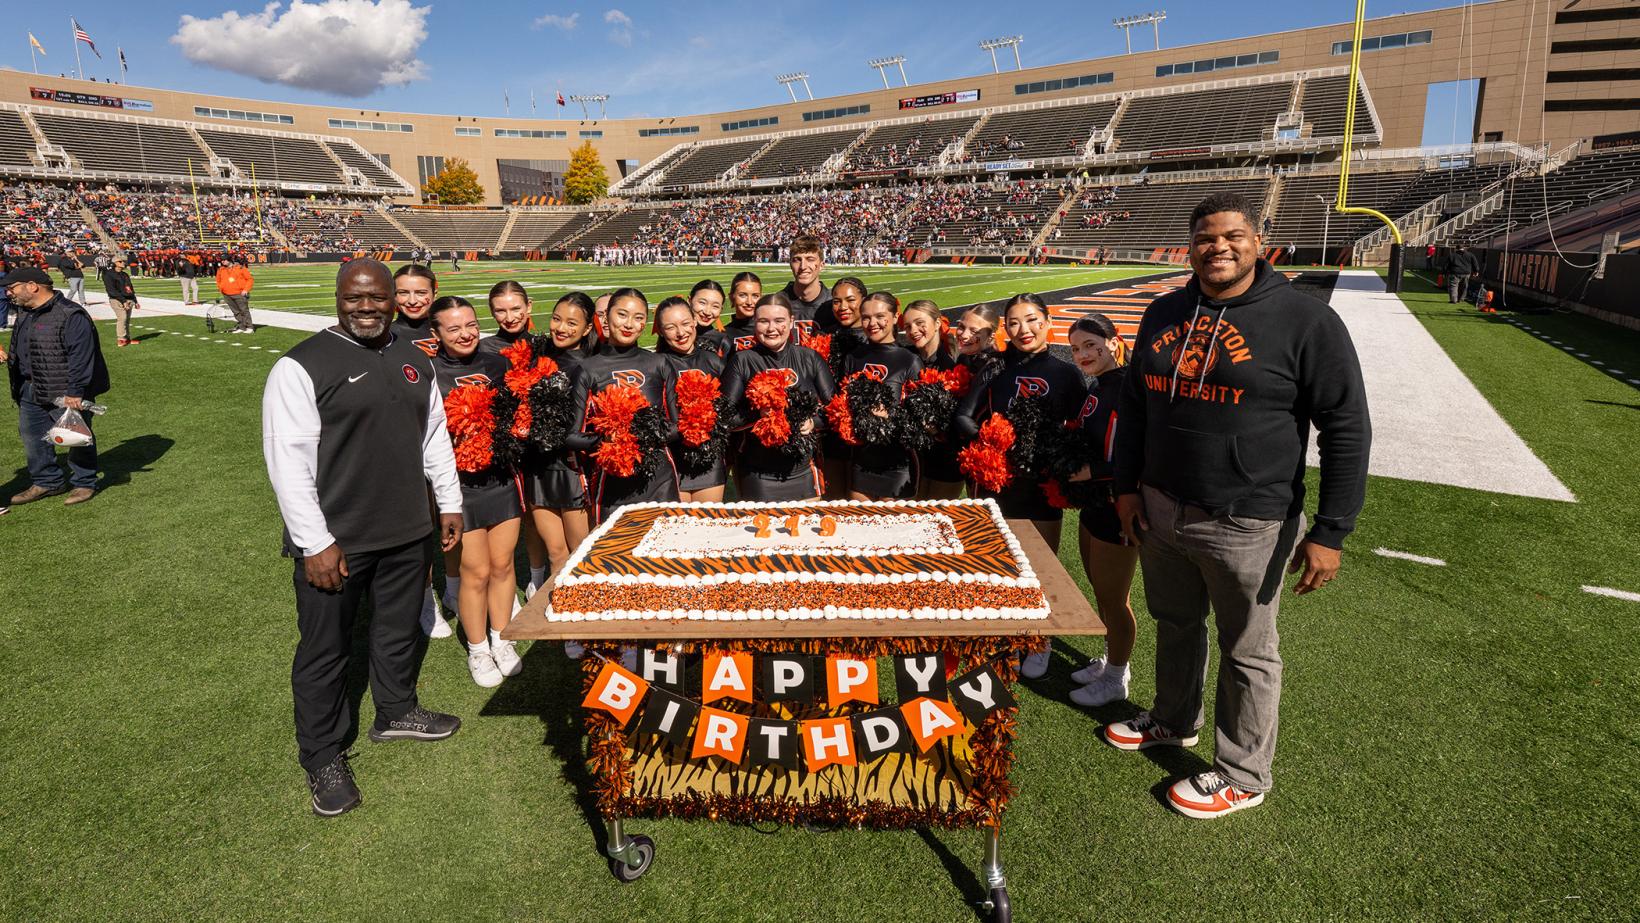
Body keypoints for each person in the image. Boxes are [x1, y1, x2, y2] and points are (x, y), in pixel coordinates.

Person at [1106, 192, 1371, 819]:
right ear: (1189, 245)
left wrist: (1332, 530)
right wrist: (1125, 486)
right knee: (1175, 624)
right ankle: (1173, 720)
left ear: (1259, 240)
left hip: (1249, 516)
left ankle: (1243, 774)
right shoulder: (1164, 311)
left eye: (1232, 236)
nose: (1218, 247)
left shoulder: (1305, 321)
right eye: (1205, 237)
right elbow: (1136, 406)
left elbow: (1346, 427)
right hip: (1161, 506)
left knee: (1247, 648)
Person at [261, 259, 464, 818]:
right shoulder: (300, 366)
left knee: (397, 628)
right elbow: (288, 462)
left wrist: (447, 501)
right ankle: (323, 755)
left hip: (405, 527)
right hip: (338, 539)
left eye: (377, 298)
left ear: (394, 301)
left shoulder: (410, 357)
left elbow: (433, 435)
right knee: (325, 651)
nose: (367, 308)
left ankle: (395, 710)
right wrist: (313, 542)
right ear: (338, 298)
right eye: (355, 298)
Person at [953, 293, 1083, 680]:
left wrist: (1053, 456)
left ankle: (1037, 641)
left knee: (1041, 567)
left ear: (1046, 322)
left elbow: (1079, 431)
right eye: (1013, 322)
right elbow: (962, 418)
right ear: (1004, 328)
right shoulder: (995, 367)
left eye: (1031, 320)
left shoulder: (1067, 372)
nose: (1022, 330)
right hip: (997, 483)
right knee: (997, 564)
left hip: (1041, 486)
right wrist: (992, 446)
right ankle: (1002, 637)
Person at [426, 295, 525, 688]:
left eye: (470, 325)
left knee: (503, 567)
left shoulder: (498, 364)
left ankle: (502, 638)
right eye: (453, 328)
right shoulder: (428, 372)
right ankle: (478, 648)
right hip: (458, 487)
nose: (465, 334)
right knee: (475, 571)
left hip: (501, 480)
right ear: (436, 334)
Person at [1062, 314, 1138, 707]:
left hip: (1116, 506)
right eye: (1076, 348)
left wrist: (1094, 471)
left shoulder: (1127, 386)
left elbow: (1141, 454)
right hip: (1094, 504)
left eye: (1092, 344)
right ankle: (1110, 659)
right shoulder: (1098, 387)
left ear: (1114, 341)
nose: (1083, 354)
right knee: (1100, 589)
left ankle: (1117, 677)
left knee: (1114, 597)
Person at [565, 288, 679, 522]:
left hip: (660, 480)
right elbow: (571, 436)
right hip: (612, 483)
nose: (629, 324)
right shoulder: (588, 369)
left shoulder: (660, 363)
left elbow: (676, 426)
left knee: (663, 557)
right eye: (622, 315)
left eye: (638, 318)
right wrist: (608, 441)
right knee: (616, 557)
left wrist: (642, 435)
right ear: (606, 317)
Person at [3, 266, 110, 507]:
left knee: (75, 436)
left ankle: (84, 482)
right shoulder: (25, 312)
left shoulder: (70, 314)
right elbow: (27, 347)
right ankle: (47, 481)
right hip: (30, 387)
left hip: (63, 389)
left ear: (32, 286)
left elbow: (82, 356)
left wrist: (75, 391)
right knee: (32, 437)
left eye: (12, 288)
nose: (9, 293)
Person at [720, 292, 835, 500]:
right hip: (758, 472)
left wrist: (813, 422)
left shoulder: (810, 358)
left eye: (779, 320)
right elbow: (724, 417)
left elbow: (835, 410)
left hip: (804, 469)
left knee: (805, 530)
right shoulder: (742, 361)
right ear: (755, 322)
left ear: (791, 321)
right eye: (763, 321)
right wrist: (758, 415)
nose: (772, 329)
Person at [837, 292, 921, 500]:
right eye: (866, 317)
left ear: (895, 317)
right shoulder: (852, 357)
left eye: (880, 316)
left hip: (898, 466)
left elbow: (920, 419)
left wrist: (891, 418)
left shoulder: (909, 360)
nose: (872, 323)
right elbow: (839, 405)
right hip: (861, 463)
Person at [655, 295, 728, 502]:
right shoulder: (655, 364)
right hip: (671, 462)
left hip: (708, 462)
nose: (681, 333)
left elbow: (731, 410)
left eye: (686, 323)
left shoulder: (714, 362)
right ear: (659, 330)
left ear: (695, 321)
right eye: (670, 327)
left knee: (708, 528)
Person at [779, 234, 831, 339]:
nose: (803, 266)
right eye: (797, 260)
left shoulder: (833, 304)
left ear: (821, 265)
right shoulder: (778, 303)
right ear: (790, 264)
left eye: (810, 259)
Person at [392, 264, 439, 357]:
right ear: (394, 295)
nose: (412, 301)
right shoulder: (384, 336)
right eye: (403, 293)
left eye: (421, 293)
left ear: (435, 294)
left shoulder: (453, 331)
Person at [98, 258, 141, 348]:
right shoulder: (109, 274)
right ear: (114, 263)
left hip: (128, 299)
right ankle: (121, 339)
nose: (123, 263)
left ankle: (127, 338)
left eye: (123, 261)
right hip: (116, 299)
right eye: (120, 261)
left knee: (127, 319)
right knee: (122, 318)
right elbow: (111, 290)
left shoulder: (125, 274)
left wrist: (135, 300)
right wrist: (123, 301)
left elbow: (130, 288)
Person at [722, 271, 761, 352]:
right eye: (742, 295)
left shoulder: (770, 330)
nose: (749, 302)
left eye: (755, 296)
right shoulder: (722, 335)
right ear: (731, 298)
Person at [215, 257, 255, 334]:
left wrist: (246, 289)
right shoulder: (221, 269)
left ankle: (249, 327)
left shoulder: (240, 268)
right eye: (221, 260)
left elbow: (250, 279)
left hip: (239, 293)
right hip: (227, 294)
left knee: (244, 310)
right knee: (236, 312)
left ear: (229, 260)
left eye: (224, 260)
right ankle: (242, 327)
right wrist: (221, 289)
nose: (222, 261)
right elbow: (218, 280)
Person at [689, 279, 727, 356]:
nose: (707, 312)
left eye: (715, 306)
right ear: (689, 301)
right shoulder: (675, 334)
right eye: (702, 303)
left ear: (721, 310)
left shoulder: (722, 341)